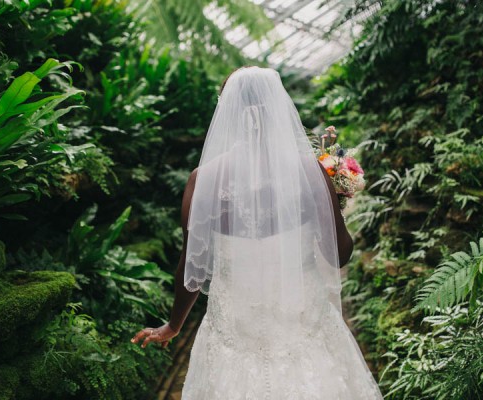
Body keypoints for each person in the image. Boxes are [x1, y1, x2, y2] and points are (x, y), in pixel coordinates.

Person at [132, 66, 384, 399]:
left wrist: (174, 325)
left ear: (228, 112)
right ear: (279, 107)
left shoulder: (203, 181)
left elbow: (192, 265)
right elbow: (339, 255)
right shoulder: (311, 174)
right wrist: (333, 207)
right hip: (302, 324)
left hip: (234, 331)